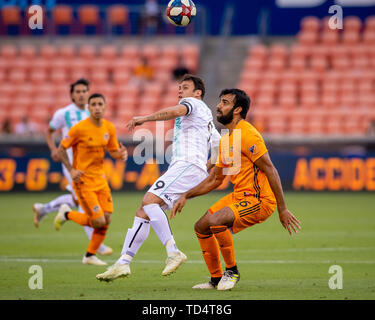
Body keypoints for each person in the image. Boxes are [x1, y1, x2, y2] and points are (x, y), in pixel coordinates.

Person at [171, 88, 301, 291]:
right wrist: (186, 195)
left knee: (216, 221)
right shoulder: (226, 139)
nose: (218, 106)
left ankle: (232, 272)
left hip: (260, 200)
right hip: (240, 196)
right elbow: (215, 180)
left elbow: (271, 170)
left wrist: (282, 209)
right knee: (201, 226)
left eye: (224, 102)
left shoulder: (248, 135)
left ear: (238, 109)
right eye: (220, 101)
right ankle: (215, 279)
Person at [96, 74, 221, 281]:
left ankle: (173, 252)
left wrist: (144, 118)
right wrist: (203, 169)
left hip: (186, 165)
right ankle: (123, 263)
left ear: (197, 93)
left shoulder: (191, 104)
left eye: (186, 87)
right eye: (179, 87)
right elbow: (217, 152)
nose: (180, 90)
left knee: (149, 202)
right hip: (190, 167)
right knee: (144, 211)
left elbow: (174, 111)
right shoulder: (206, 119)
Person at [32, 79, 113, 256]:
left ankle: (44, 208)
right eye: (78, 91)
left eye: (85, 90)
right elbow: (49, 131)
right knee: (85, 204)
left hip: (91, 167)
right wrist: (54, 149)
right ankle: (96, 246)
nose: (82, 94)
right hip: (73, 166)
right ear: (72, 95)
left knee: (78, 200)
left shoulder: (92, 111)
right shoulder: (64, 113)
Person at [54, 93, 128, 266]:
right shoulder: (79, 129)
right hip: (83, 181)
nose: (96, 107)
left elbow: (114, 151)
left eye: (99, 104)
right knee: (98, 221)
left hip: (100, 180)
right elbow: (61, 150)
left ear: (105, 107)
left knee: (107, 218)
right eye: (93, 104)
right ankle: (66, 213)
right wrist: (71, 170)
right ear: (88, 108)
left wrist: (121, 154)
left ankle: (89, 256)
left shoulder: (108, 128)